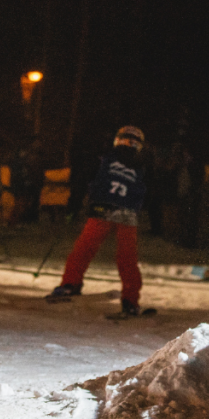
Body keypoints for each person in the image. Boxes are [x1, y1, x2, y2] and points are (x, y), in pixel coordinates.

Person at [50, 126, 149, 315]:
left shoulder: (104, 158)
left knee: (85, 248)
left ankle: (71, 283)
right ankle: (130, 300)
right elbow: (146, 192)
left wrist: (74, 205)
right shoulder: (141, 167)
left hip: (103, 207)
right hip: (127, 213)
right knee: (127, 257)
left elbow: (83, 179)